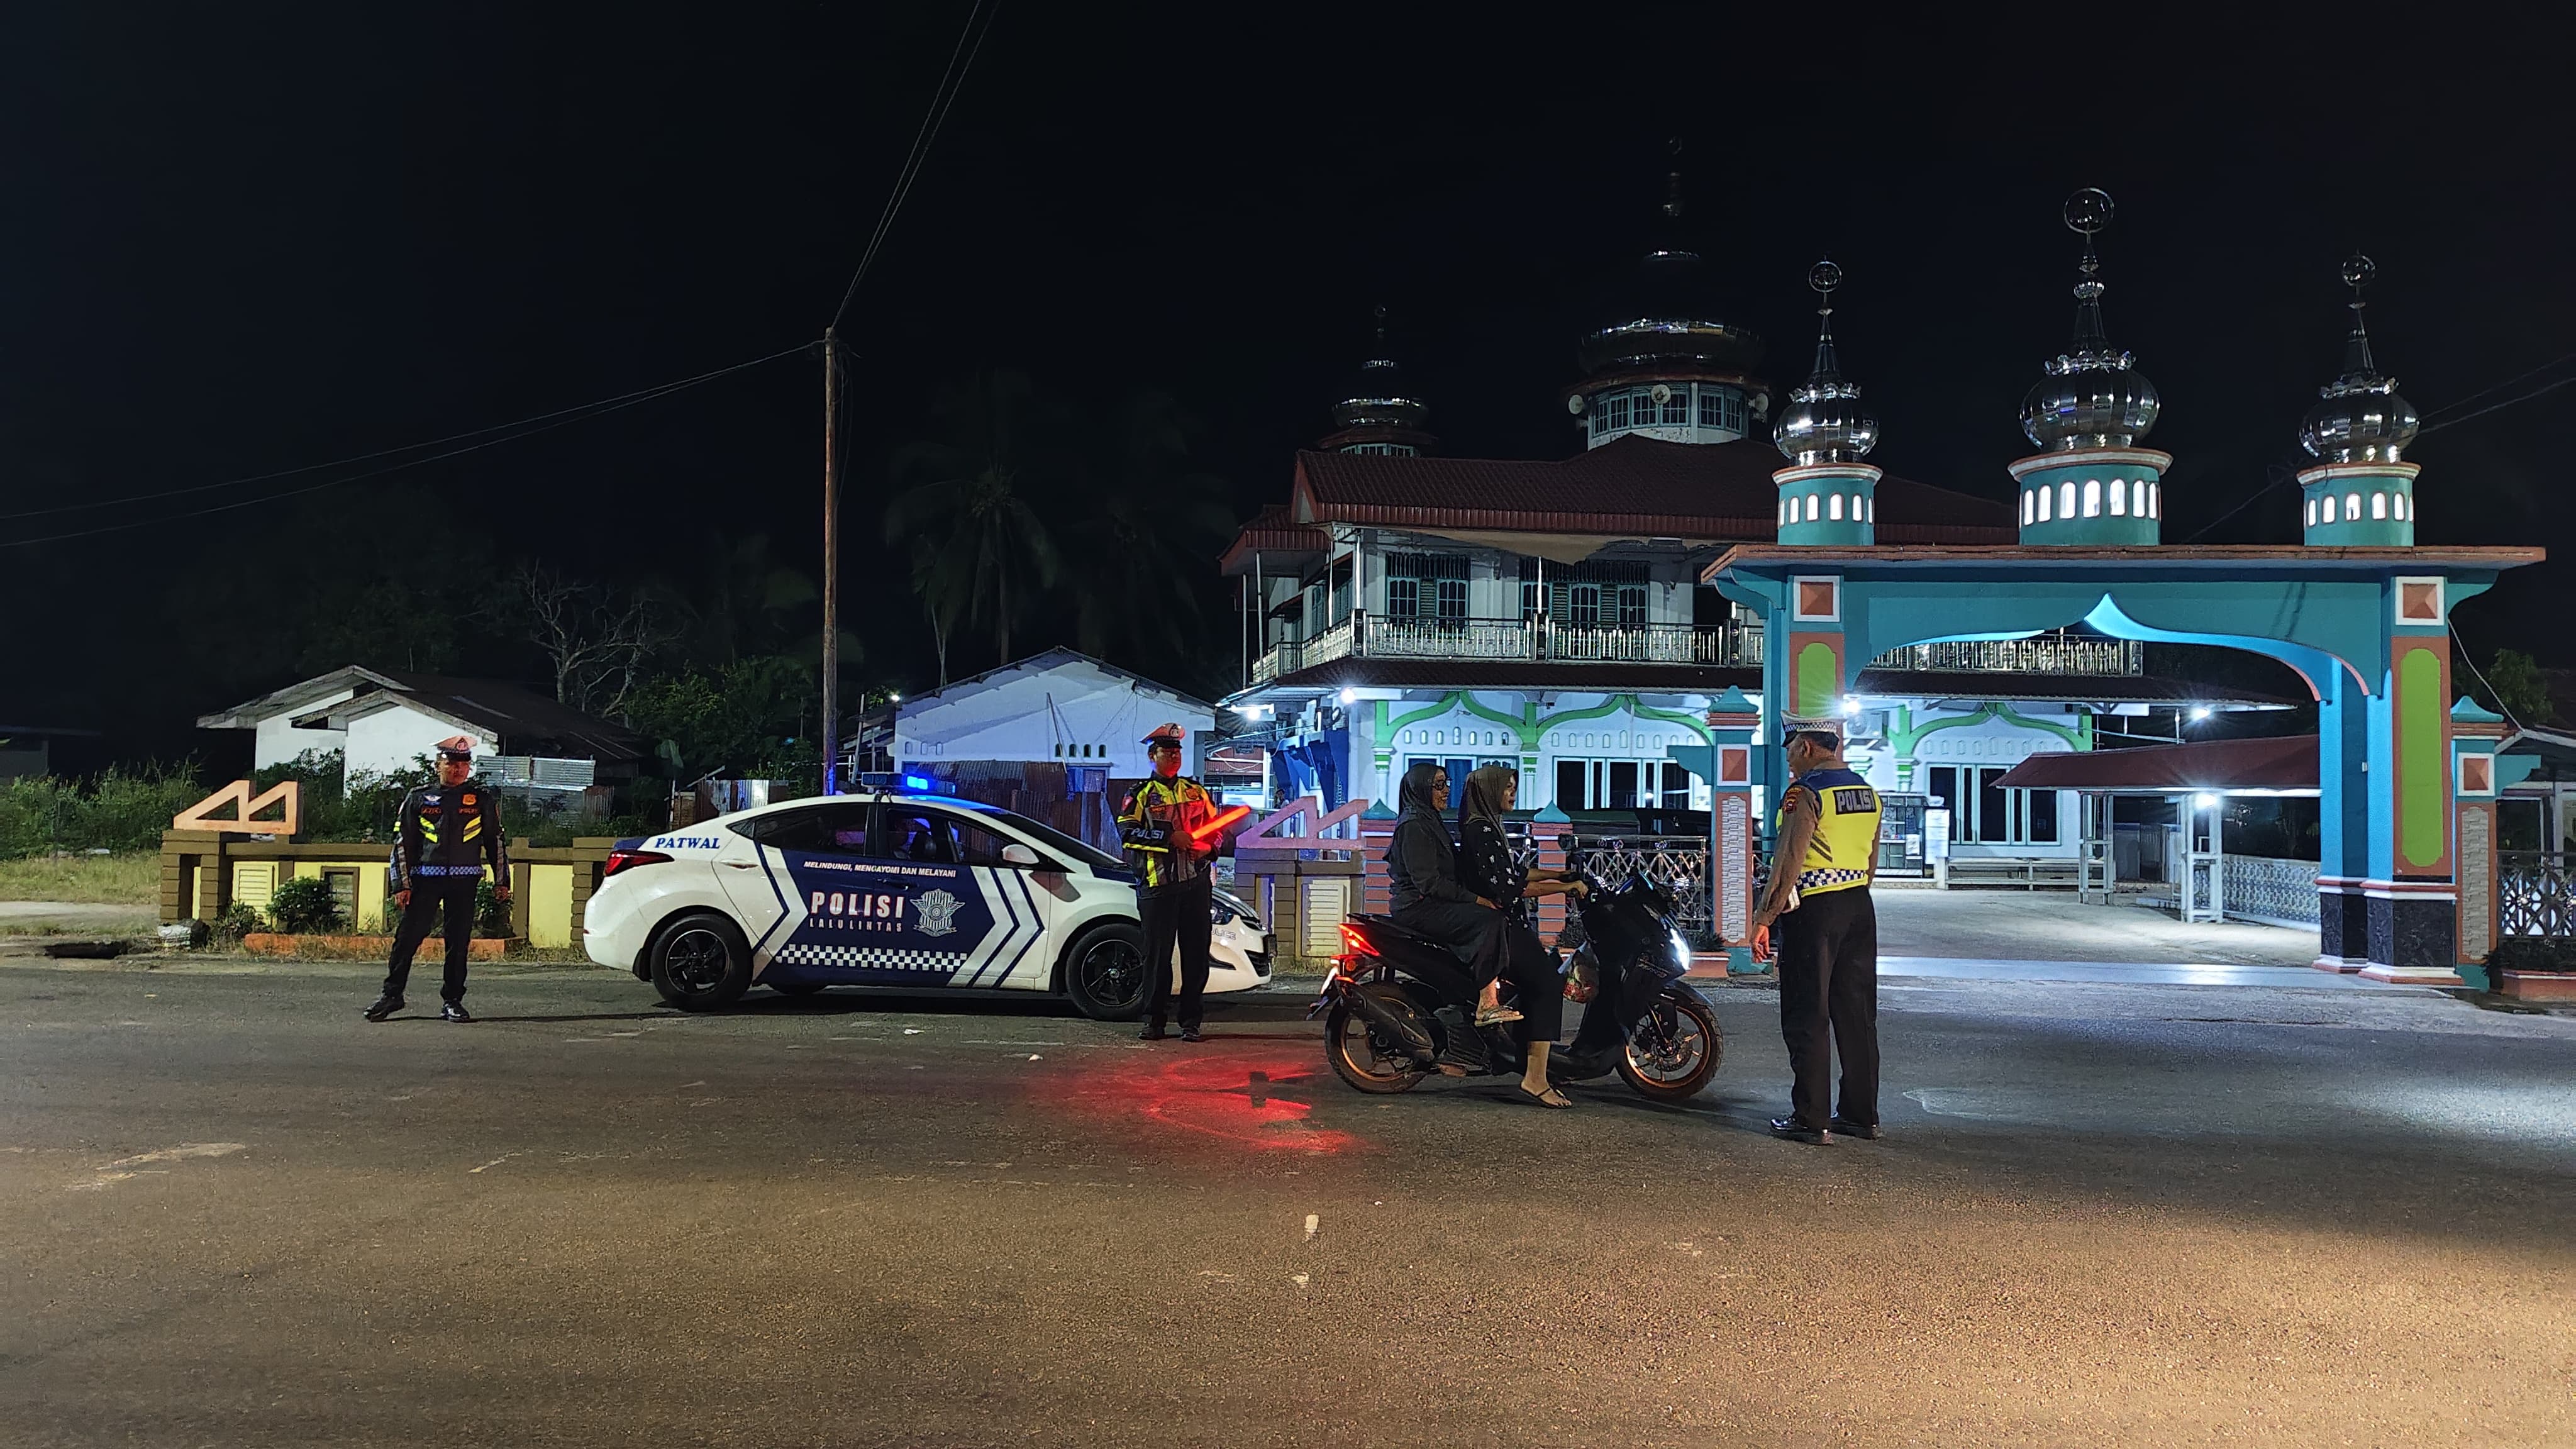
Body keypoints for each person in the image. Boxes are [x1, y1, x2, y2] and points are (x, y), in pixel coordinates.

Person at [1749, 724, 1884, 1144]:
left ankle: (1810, 1118)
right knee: (1857, 1016)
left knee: (1809, 1011)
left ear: (1806, 746)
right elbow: (1872, 858)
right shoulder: (1867, 792)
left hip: (1815, 910)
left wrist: (1764, 918)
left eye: (1790, 748)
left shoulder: (1807, 793)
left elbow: (1789, 860)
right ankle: (1861, 1116)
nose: (1788, 757)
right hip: (1859, 906)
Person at [1456, 764, 1590, 1108]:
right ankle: (1535, 1078)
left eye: (1514, 787)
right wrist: (1564, 888)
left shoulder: (1487, 825)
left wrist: (1560, 873)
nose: (1513, 793)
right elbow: (1509, 889)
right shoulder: (1481, 830)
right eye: (1507, 788)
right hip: (1500, 923)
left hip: (1504, 922)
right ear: (1490, 791)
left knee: (1541, 973)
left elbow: (1514, 871)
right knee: (1547, 983)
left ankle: (1533, 1059)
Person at [366, 737, 511, 1023]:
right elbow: (401, 843)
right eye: (452, 763)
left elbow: (496, 842)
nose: (458, 769)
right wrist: (401, 884)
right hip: (424, 881)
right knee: (406, 939)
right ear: (438, 765)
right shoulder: (418, 797)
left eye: (463, 764)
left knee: (458, 943)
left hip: (464, 881)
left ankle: (453, 1001)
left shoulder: (482, 799)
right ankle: (392, 995)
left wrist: (501, 881)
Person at [1385, 763, 1513, 1026]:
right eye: (1438, 785)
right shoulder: (1414, 826)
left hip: (1428, 903)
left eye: (1447, 784)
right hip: (1417, 907)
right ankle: (1487, 1004)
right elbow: (1429, 883)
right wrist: (1476, 900)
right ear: (1421, 789)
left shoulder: (1429, 819)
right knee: (1489, 921)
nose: (1445, 792)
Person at [1116, 723, 1217, 1042]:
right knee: (1157, 957)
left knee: (1196, 956)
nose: (1174, 756)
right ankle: (1154, 1020)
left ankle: (1191, 1022)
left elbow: (1217, 831)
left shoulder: (1196, 791)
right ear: (1152, 755)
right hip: (1157, 887)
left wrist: (1209, 847)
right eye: (1166, 751)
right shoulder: (1139, 794)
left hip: (1196, 884)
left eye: (1177, 751)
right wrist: (1169, 838)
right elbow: (1127, 834)